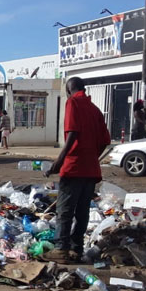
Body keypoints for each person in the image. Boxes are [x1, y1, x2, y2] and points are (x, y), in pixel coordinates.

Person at [43, 77, 111, 264]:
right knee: (82, 212)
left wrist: (59, 160)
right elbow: (106, 140)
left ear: (68, 90)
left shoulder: (73, 103)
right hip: (91, 170)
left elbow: (73, 133)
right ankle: (76, 249)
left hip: (73, 167)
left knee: (64, 210)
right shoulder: (95, 109)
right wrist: (92, 155)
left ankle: (61, 249)